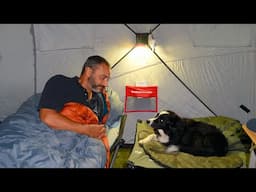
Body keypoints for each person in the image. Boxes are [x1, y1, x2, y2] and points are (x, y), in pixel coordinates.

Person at [38, 55, 112, 168]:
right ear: (88, 71)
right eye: (103, 78)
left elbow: (101, 124)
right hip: (61, 137)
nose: (106, 84)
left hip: (88, 144)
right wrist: (85, 129)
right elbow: (47, 117)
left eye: (107, 79)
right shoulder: (61, 83)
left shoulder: (100, 98)